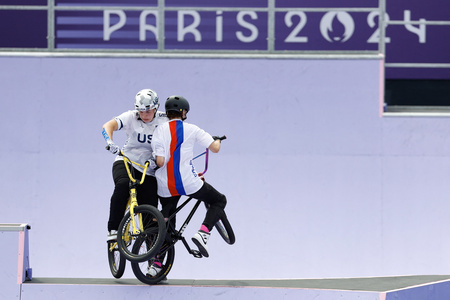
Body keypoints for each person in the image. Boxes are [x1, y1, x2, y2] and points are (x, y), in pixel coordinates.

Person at [151, 95, 227, 266]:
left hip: (165, 186)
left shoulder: (158, 130)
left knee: (168, 219)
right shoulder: (193, 129)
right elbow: (214, 149)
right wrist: (217, 141)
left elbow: (160, 161)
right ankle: (203, 233)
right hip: (188, 182)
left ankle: (156, 265)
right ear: (183, 112)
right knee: (219, 200)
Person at [102, 88, 168, 241]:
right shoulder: (130, 116)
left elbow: (182, 131)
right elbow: (108, 126)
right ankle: (113, 229)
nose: (145, 115)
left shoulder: (164, 119)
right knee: (123, 185)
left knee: (151, 206)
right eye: (141, 111)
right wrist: (109, 141)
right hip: (126, 162)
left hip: (148, 168)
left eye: (149, 111)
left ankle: (152, 247)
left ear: (156, 107)